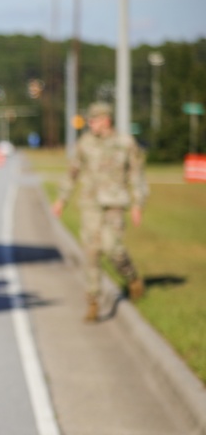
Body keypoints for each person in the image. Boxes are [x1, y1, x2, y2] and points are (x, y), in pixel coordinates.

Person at [52, 101, 149, 322]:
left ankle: (132, 278)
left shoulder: (125, 143)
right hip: (90, 205)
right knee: (92, 252)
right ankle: (93, 301)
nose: (90, 124)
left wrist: (137, 204)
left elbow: (137, 175)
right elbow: (72, 172)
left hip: (115, 204)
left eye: (93, 120)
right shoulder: (85, 143)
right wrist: (61, 200)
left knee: (113, 248)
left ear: (106, 119)